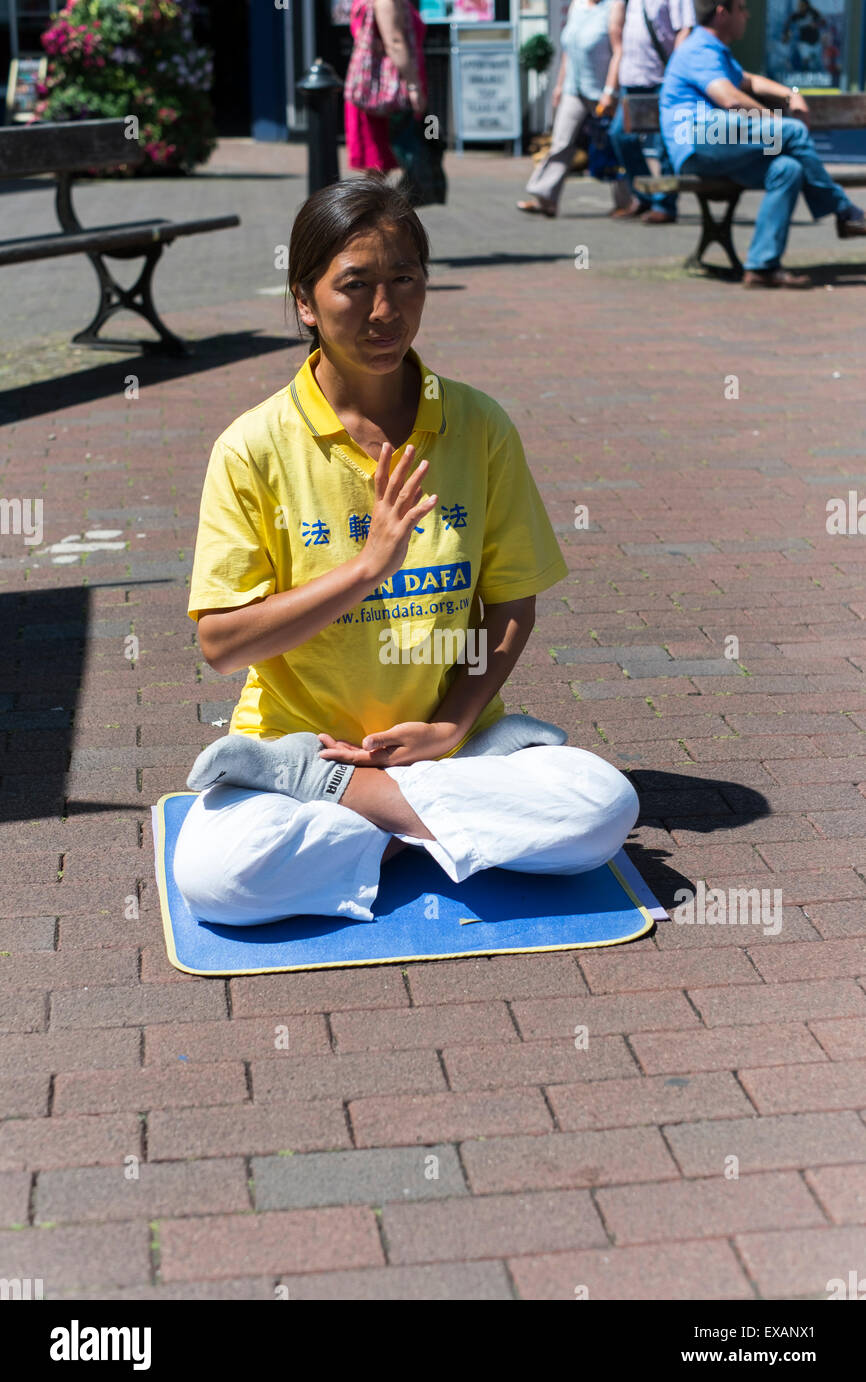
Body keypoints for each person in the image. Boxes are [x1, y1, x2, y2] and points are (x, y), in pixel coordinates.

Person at [173, 178, 640, 926]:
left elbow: (513, 603)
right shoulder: (252, 447)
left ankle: (376, 814)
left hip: (448, 744)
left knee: (605, 807)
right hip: (301, 744)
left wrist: (453, 726)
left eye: (405, 282)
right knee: (217, 879)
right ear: (305, 300)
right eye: (355, 285)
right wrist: (364, 571)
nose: (385, 311)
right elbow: (223, 644)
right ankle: (388, 805)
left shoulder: (479, 424)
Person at [659, 0, 866, 288]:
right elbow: (730, 98)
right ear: (722, 13)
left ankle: (761, 267)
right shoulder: (698, 49)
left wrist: (791, 94)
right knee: (791, 132)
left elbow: (750, 82)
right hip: (699, 139)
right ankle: (845, 212)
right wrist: (775, 122)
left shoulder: (716, 51)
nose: (747, 15)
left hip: (721, 147)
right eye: (742, 8)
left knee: (787, 169)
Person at [517, 0, 625, 218]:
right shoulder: (577, 5)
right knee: (561, 141)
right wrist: (559, 85)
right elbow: (568, 50)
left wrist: (610, 90)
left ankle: (628, 201)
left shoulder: (614, 6)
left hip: (601, 89)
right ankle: (546, 197)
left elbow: (618, 50)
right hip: (573, 87)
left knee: (614, 143)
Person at [608, 0, 696, 222]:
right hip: (632, 78)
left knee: (663, 145)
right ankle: (644, 195)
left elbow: (685, 29)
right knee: (619, 135)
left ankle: (664, 205)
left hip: (661, 79)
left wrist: (676, 72)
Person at [345, 0, 427, 175]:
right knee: (378, 168)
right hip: (385, 94)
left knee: (378, 170)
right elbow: (395, 43)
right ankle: (368, 203)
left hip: (376, 90)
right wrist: (414, 86)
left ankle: (375, 201)